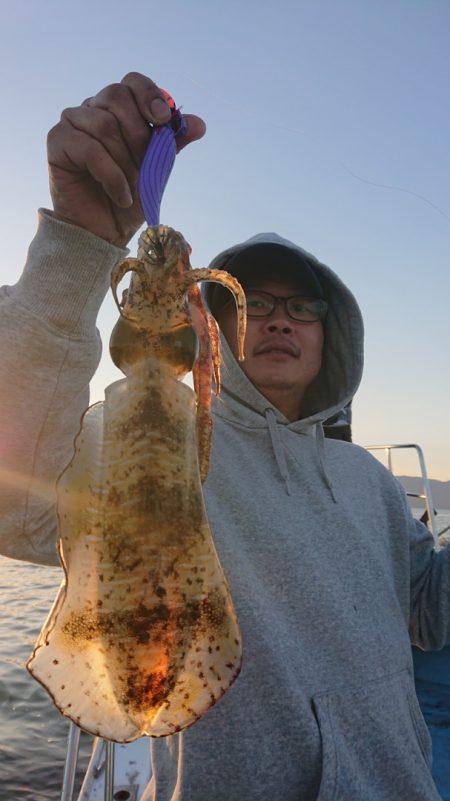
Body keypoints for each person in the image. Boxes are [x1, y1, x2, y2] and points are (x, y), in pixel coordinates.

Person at [0, 72, 448, 801]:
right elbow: (14, 496)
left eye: (301, 306)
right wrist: (78, 244)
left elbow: (431, 609)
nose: (276, 318)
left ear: (330, 334)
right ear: (209, 326)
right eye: (257, 302)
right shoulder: (160, 437)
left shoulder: (368, 479)